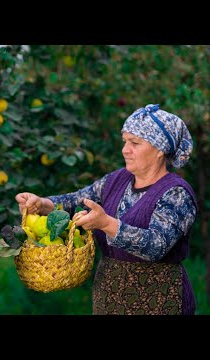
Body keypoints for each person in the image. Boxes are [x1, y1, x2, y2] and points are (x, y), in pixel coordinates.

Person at [15, 104, 197, 315]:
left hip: (161, 300)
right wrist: (44, 203)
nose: (125, 150)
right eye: (125, 141)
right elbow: (78, 199)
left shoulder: (175, 193)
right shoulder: (117, 179)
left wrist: (107, 224)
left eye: (135, 143)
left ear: (160, 149)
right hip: (109, 300)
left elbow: (157, 246)